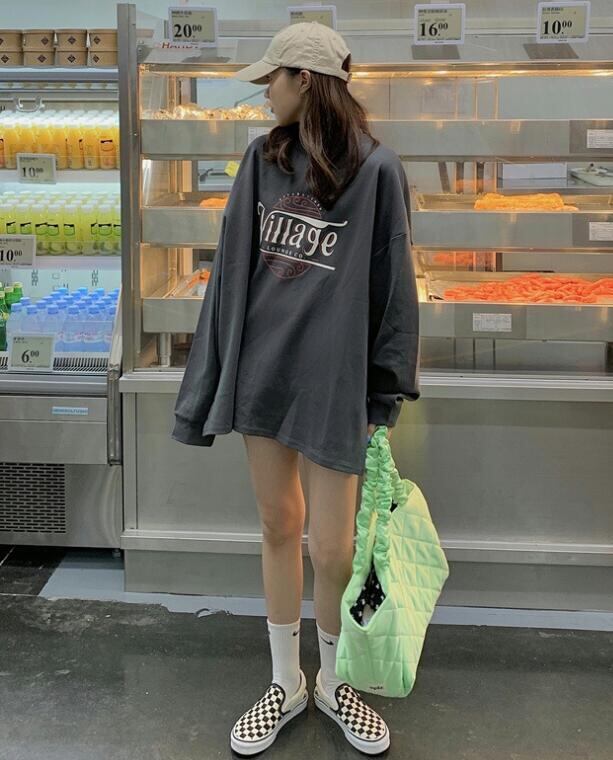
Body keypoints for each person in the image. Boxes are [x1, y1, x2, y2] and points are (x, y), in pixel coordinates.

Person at [171, 20, 420, 757]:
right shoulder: (261, 160)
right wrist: (216, 372)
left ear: (304, 80)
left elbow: (393, 288)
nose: (264, 95)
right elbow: (232, 269)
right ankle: (286, 682)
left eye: (271, 80)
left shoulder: (377, 170)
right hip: (264, 372)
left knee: (334, 547)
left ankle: (336, 682)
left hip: (333, 381)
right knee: (279, 525)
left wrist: (383, 393)